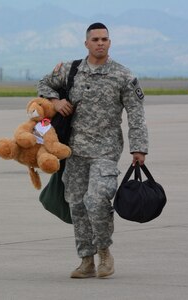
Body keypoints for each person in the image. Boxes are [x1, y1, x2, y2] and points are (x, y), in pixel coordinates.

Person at [37, 22, 149, 279]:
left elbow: (136, 114)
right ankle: (86, 260)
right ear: (86, 43)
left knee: (96, 201)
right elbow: (43, 84)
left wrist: (139, 148)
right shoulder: (71, 70)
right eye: (95, 39)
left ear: (110, 43)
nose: (100, 43)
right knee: (76, 205)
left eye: (104, 39)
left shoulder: (123, 75)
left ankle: (105, 252)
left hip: (105, 151)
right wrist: (56, 101)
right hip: (74, 152)